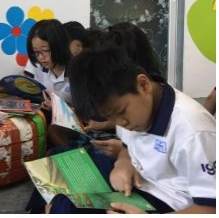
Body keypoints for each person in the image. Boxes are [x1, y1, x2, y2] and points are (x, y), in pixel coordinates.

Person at [59, 45, 216, 214]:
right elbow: (126, 147)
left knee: (68, 208)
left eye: (121, 112)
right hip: (138, 182)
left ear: (144, 84)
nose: (120, 123)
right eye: (109, 117)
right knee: (64, 176)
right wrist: (123, 162)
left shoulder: (194, 131)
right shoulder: (133, 106)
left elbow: (212, 208)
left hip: (172, 203)